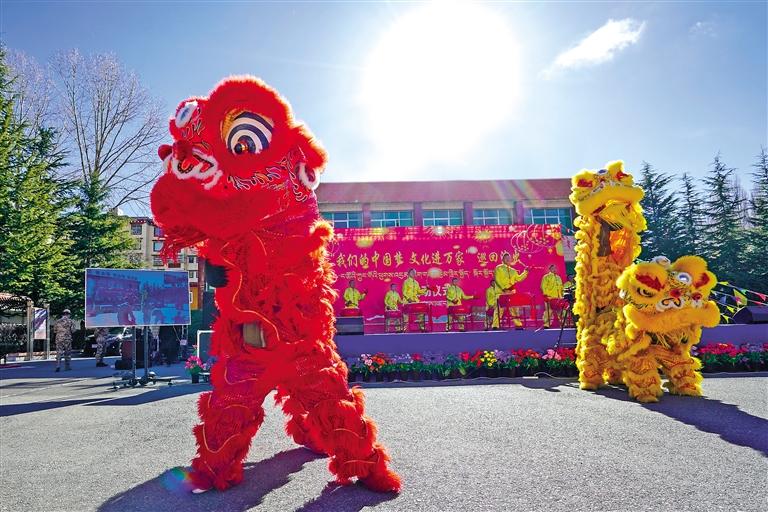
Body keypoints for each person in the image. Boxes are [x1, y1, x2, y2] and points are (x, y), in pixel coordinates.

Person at [494, 252, 529, 329]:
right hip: (501, 292)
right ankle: (495, 325)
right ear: (502, 259)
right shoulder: (498, 268)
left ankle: (518, 325)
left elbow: (519, 279)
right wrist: (504, 289)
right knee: (499, 309)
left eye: (509, 258)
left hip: (511, 292)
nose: (508, 259)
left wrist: (525, 272)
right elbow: (497, 279)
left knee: (514, 309)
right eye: (506, 258)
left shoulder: (513, 270)